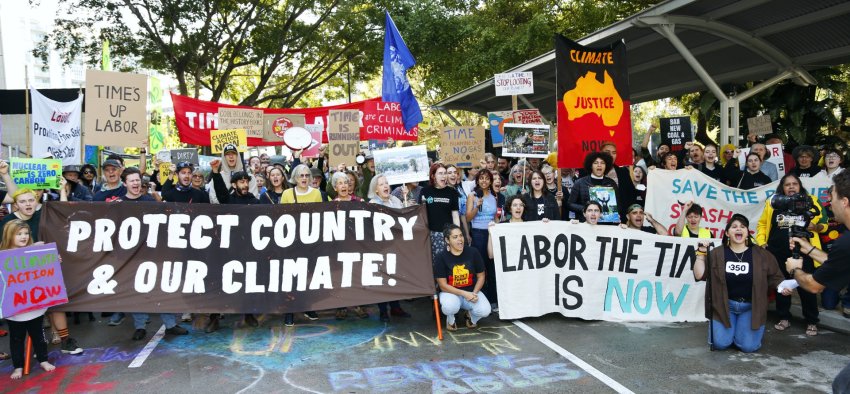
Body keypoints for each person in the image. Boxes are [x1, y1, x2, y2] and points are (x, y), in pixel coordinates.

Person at [784, 170, 850, 392]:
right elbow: (838, 262)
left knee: (842, 386)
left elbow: (813, 285)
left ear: (845, 202)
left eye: (832, 198)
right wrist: (809, 248)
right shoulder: (846, 245)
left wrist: (795, 270)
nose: (829, 204)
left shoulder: (845, 243)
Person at [110, 168, 190, 340]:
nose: (136, 183)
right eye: (132, 181)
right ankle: (140, 326)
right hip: (130, 257)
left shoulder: (149, 200)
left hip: (154, 254)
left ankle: (170, 324)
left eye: (138, 180)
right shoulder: (118, 204)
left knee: (161, 288)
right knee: (137, 290)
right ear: (125, 183)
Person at [693, 214, 786, 353]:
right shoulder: (716, 253)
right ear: (727, 233)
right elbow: (699, 275)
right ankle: (731, 333)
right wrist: (700, 255)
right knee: (720, 344)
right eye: (734, 227)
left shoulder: (762, 254)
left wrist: (782, 286)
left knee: (749, 347)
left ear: (748, 232)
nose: (739, 229)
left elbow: (776, 277)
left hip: (751, 307)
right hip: (724, 307)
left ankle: (739, 333)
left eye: (743, 227)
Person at [756, 173, 823, 336]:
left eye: (795, 184)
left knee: (807, 287)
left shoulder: (810, 200)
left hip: (804, 252)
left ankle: (812, 321)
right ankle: (783, 317)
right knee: (782, 286)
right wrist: (762, 242)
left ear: (800, 186)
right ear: (782, 188)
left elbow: (823, 223)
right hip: (777, 252)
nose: (791, 187)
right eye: (787, 184)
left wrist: (814, 226)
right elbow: (762, 224)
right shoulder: (774, 202)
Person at [2, 220, 57, 379]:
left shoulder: (35, 251)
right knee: (16, 338)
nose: (24, 236)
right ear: (9, 235)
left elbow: (45, 270)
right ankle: (18, 366)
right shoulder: (2, 254)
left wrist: (53, 261)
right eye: (19, 234)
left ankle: (43, 360)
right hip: (15, 309)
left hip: (34, 306)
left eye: (26, 233)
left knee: (38, 336)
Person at [368, 174, 412, 322]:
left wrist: (406, 201)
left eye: (387, 183)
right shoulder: (373, 204)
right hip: (380, 247)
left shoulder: (396, 200)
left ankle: (395, 307)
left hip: (397, 246)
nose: (386, 186)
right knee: (383, 278)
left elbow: (407, 218)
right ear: (376, 190)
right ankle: (383, 310)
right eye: (381, 184)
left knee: (394, 277)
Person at [434, 224, 491, 331]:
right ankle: (451, 321)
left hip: (471, 291)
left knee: (485, 310)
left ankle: (471, 318)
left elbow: (481, 276)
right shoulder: (441, 257)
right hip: (450, 293)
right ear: (447, 240)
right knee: (449, 307)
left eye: (461, 236)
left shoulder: (473, 252)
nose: (460, 239)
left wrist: (474, 293)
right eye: (455, 237)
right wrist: (464, 294)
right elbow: (443, 286)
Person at [419, 163, 461, 265]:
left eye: (445, 173)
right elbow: (420, 214)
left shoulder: (452, 192)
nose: (444, 176)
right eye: (440, 173)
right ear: (433, 176)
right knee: (435, 264)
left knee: (450, 263)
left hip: (448, 235)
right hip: (431, 235)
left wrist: (457, 234)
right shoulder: (425, 191)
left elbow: (455, 215)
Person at [568, 152, 620, 223]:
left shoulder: (611, 183)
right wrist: (586, 209)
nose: (599, 165)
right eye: (596, 163)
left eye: (602, 163)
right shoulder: (580, 183)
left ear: (606, 166)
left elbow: (617, 203)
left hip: (607, 224)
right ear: (591, 166)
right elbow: (570, 204)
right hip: (585, 224)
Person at [465, 170, 498, 258]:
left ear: (490, 181)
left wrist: (499, 229)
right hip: (478, 234)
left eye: (487, 179)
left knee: (492, 261)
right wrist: (477, 207)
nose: (484, 181)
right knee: (480, 262)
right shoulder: (472, 196)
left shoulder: (494, 196)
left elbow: (495, 217)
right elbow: (468, 218)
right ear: (477, 181)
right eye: (481, 178)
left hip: (492, 233)